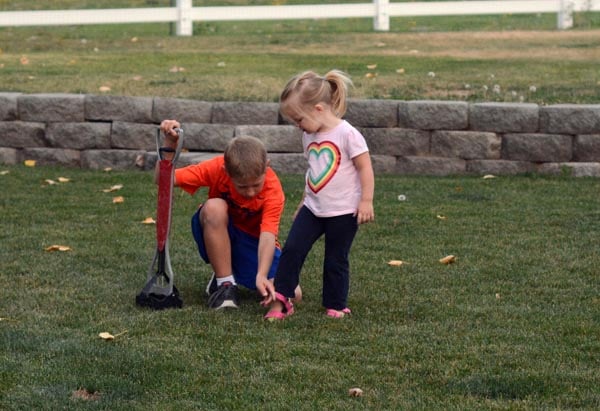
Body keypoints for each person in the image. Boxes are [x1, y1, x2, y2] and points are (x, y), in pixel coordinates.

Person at [262, 69, 375, 320]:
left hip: (344, 211)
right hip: (313, 209)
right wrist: (305, 200)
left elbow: (365, 167)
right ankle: (281, 300)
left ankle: (336, 304)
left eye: (299, 120)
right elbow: (315, 171)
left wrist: (366, 200)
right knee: (292, 250)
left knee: (335, 258)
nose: (298, 126)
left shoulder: (348, 135)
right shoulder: (308, 136)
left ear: (319, 109)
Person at [158, 119, 286, 310]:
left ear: (267, 166)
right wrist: (169, 146)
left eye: (256, 185)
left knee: (293, 293)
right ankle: (225, 283)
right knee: (214, 207)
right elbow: (163, 179)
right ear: (226, 171)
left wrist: (261, 274)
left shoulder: (273, 190)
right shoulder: (217, 168)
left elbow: (268, 236)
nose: (250, 192)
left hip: (255, 241)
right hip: (219, 229)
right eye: (242, 186)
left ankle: (229, 270)